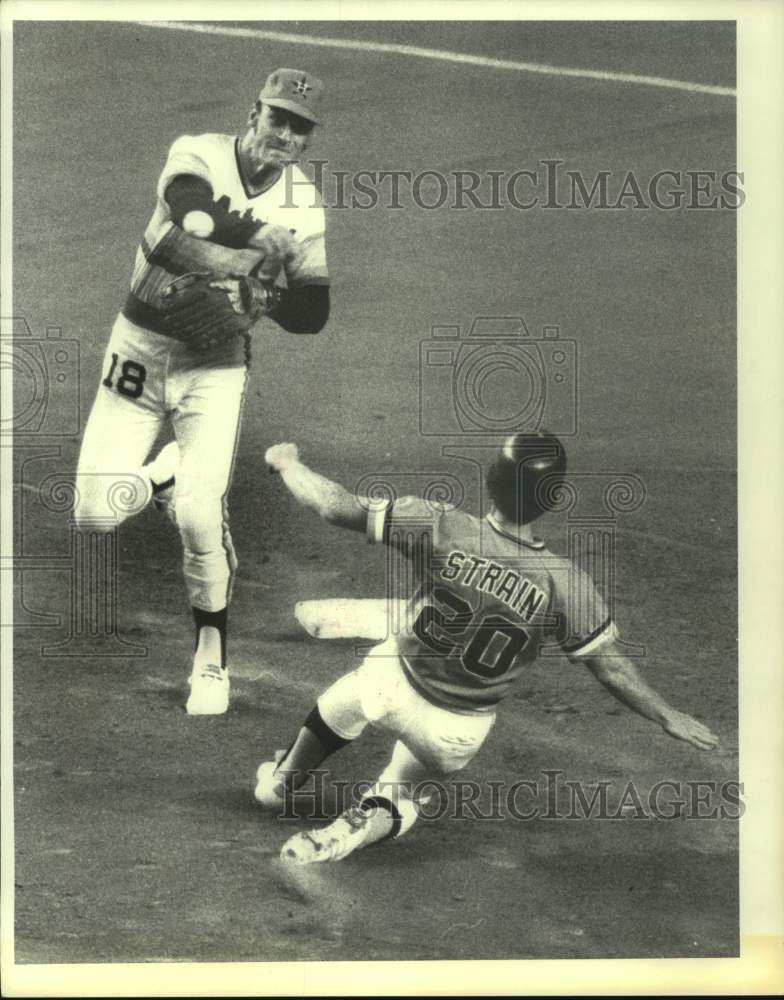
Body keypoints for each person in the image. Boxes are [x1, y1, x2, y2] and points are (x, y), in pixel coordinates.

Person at [255, 431, 719, 864]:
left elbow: (335, 507)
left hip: (389, 685)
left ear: (493, 479)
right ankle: (352, 827)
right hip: (454, 730)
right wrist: (665, 714)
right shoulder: (564, 582)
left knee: (338, 706)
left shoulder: (440, 524)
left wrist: (287, 462)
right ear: (552, 498)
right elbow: (611, 668)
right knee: (403, 790)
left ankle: (281, 783)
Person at [73, 69, 329, 715]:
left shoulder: (307, 207)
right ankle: (161, 478)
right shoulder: (199, 152)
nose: (285, 134)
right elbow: (190, 211)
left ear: (308, 138)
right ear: (254, 114)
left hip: (215, 367)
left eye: (299, 127)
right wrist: (253, 244)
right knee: (96, 514)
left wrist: (261, 298)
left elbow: (314, 311)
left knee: (198, 515)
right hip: (136, 348)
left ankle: (211, 659)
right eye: (277, 118)